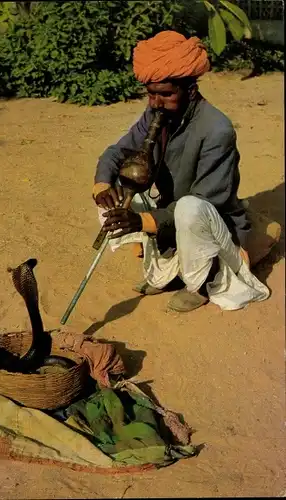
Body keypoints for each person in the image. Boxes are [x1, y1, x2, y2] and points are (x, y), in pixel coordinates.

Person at [92, 30, 269, 312]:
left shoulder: (216, 129)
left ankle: (201, 283)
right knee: (113, 197)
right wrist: (102, 185)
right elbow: (117, 152)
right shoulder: (154, 115)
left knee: (189, 208)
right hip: (170, 215)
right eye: (151, 94)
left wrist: (142, 222)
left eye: (165, 94)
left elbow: (206, 202)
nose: (155, 103)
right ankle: (169, 270)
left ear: (190, 90)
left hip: (210, 221)